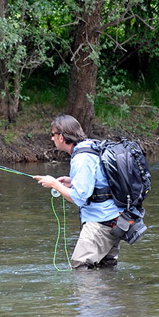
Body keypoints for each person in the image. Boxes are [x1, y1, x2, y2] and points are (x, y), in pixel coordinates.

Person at [33, 115, 121, 269]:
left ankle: (88, 294)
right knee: (106, 268)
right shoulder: (91, 146)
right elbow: (99, 181)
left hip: (101, 222)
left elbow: (79, 198)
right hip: (113, 219)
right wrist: (71, 182)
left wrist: (54, 184)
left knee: (80, 267)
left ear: (61, 137)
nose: (51, 138)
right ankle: (110, 293)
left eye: (53, 134)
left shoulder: (81, 158)